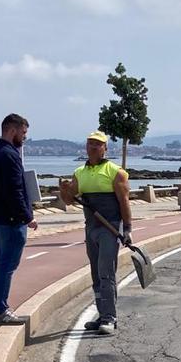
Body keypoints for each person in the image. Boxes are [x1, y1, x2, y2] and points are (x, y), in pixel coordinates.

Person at [60, 131, 133, 335]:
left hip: (110, 227)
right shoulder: (79, 173)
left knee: (106, 272)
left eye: (97, 144)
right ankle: (102, 315)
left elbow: (124, 201)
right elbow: (68, 200)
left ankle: (110, 318)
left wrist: (127, 229)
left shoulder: (115, 172)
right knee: (95, 275)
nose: (93, 147)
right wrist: (64, 190)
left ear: (105, 148)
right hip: (91, 228)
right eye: (90, 143)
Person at [0, 113, 38, 325]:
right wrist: (27, 217)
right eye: (23, 133)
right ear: (12, 130)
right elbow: (14, 190)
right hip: (11, 220)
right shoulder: (10, 155)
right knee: (7, 265)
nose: (24, 138)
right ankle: (0, 309)